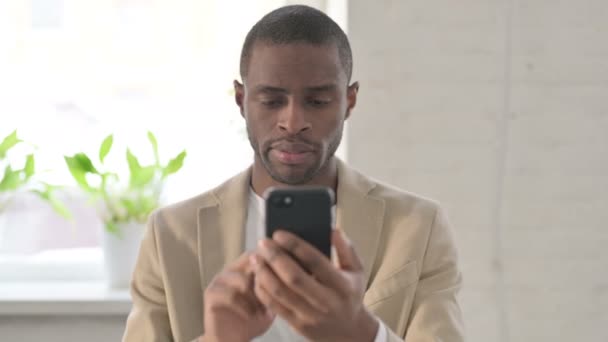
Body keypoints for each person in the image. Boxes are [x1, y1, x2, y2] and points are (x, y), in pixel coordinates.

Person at [123, 5, 464, 342]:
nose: (293, 121)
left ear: (350, 101)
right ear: (241, 100)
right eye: (271, 101)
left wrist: (362, 334)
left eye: (316, 101)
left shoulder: (418, 226)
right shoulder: (170, 234)